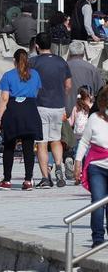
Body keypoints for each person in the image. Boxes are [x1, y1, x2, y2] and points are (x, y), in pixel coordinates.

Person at [30, 32, 73, 188]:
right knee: (56, 139)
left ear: (37, 46)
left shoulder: (33, 63)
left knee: (41, 143)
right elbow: (68, 85)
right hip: (57, 105)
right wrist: (62, 96)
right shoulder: (61, 62)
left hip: (40, 105)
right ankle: (59, 166)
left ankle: (45, 178)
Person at [0, 49, 43, 191]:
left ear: (14, 61)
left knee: (9, 146)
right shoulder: (35, 74)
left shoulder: (8, 75)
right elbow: (36, 92)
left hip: (13, 110)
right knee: (28, 147)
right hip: (30, 109)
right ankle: (28, 180)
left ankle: (7, 179)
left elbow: (4, 98)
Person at [74, 88, 108, 247]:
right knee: (98, 201)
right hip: (97, 167)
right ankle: (98, 238)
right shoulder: (94, 118)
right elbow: (84, 142)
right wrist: (77, 162)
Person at [67, 41, 105, 117]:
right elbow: (101, 91)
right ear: (83, 53)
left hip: (66, 112)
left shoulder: (63, 67)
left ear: (69, 53)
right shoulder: (92, 69)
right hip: (86, 112)